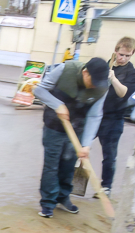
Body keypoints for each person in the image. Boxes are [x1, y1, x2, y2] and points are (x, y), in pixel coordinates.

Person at [34, 57, 110, 218]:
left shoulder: (102, 87)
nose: (95, 85)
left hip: (77, 130)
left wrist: (86, 144)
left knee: (68, 165)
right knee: (51, 166)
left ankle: (63, 197)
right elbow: (39, 90)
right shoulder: (64, 70)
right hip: (54, 127)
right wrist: (57, 105)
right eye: (93, 81)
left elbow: (95, 116)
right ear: (85, 72)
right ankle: (48, 203)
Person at [95, 37, 135, 198]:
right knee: (78, 146)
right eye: (121, 54)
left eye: (128, 55)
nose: (123, 58)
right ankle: (70, 179)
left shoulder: (132, 73)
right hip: (95, 115)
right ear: (116, 51)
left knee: (109, 155)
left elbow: (123, 93)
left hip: (114, 119)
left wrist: (113, 78)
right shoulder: (104, 66)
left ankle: (105, 187)